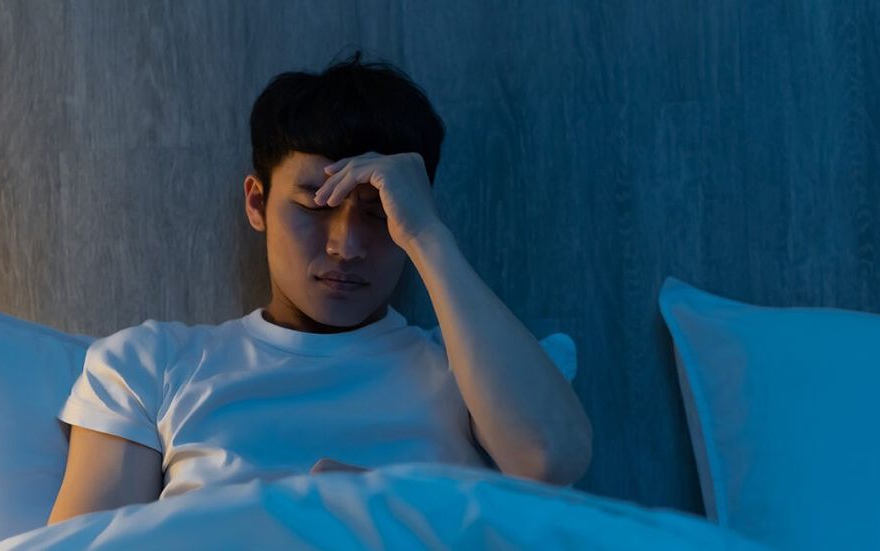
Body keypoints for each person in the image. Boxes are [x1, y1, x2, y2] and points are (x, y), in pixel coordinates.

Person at [48, 50, 590, 526]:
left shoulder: (470, 376)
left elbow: (548, 460)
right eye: (314, 206)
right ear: (257, 203)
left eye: (378, 213)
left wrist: (428, 235)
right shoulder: (152, 365)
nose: (346, 246)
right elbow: (81, 545)